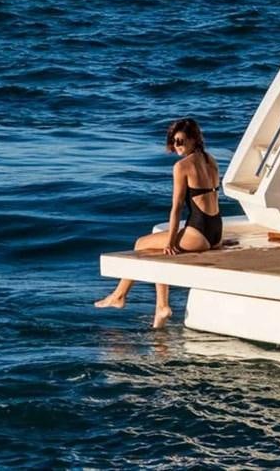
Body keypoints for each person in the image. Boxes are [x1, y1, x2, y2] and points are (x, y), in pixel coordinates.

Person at [95, 118, 223, 328]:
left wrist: (171, 241)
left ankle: (130, 298)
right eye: (174, 142)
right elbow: (212, 199)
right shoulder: (211, 160)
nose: (176, 146)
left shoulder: (182, 166)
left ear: (193, 139)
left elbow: (177, 208)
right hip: (215, 230)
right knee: (157, 251)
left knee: (141, 244)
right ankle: (155, 308)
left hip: (198, 232)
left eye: (180, 141)